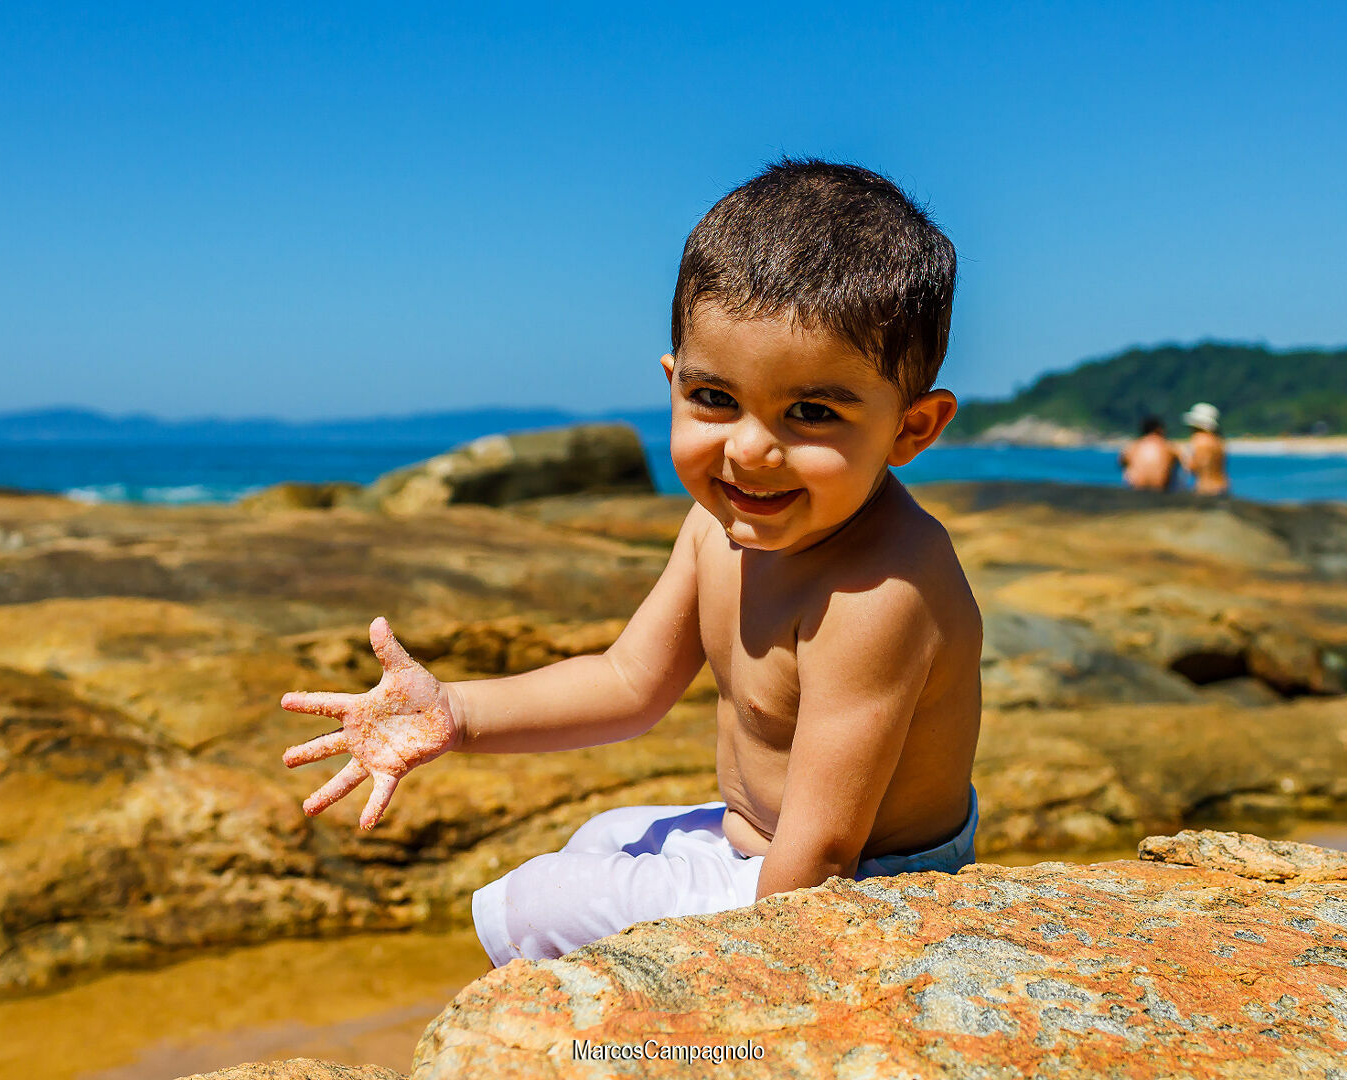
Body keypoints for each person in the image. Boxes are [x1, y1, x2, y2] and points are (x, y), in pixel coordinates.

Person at [279, 160, 983, 967]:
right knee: (601, 837)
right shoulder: (716, 526)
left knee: (533, 902)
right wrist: (455, 715)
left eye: (811, 413)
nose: (749, 450)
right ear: (672, 382)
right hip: (764, 845)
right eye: (714, 399)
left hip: (868, 886)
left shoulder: (879, 593)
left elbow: (820, 861)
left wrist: (752, 998)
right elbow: (626, 684)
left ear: (912, 429)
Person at [1119, 416, 1182, 491]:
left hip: (1135, 488)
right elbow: (1184, 464)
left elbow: (1121, 462)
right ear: (1159, 430)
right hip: (1159, 489)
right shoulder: (1168, 446)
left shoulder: (1132, 447)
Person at [1181, 401, 1230, 495]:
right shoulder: (1218, 441)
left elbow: (1192, 467)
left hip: (1205, 488)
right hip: (1223, 487)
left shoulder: (1198, 440)